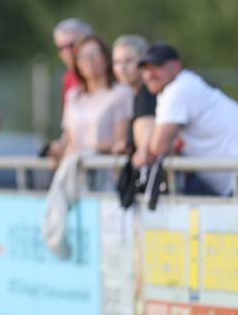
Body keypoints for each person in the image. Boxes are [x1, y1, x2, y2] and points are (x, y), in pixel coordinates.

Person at [140, 42, 238, 197]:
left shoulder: (178, 89)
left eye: (156, 66)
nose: (149, 74)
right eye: (145, 68)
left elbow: (157, 148)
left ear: (176, 65)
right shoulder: (179, 86)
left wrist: (143, 150)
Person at [58, 35, 132, 163]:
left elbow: (120, 141)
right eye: (82, 57)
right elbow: (69, 139)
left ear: (106, 58)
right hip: (75, 170)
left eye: (94, 55)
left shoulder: (121, 93)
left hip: (104, 169)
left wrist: (87, 149)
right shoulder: (73, 96)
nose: (89, 61)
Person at [47, 18, 93, 159]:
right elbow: (70, 125)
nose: (67, 52)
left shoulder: (106, 74)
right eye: (61, 48)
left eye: (71, 45)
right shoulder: (68, 78)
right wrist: (61, 147)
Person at [111, 35, 156, 164]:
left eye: (128, 61)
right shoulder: (127, 96)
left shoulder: (149, 93)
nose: (122, 68)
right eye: (117, 62)